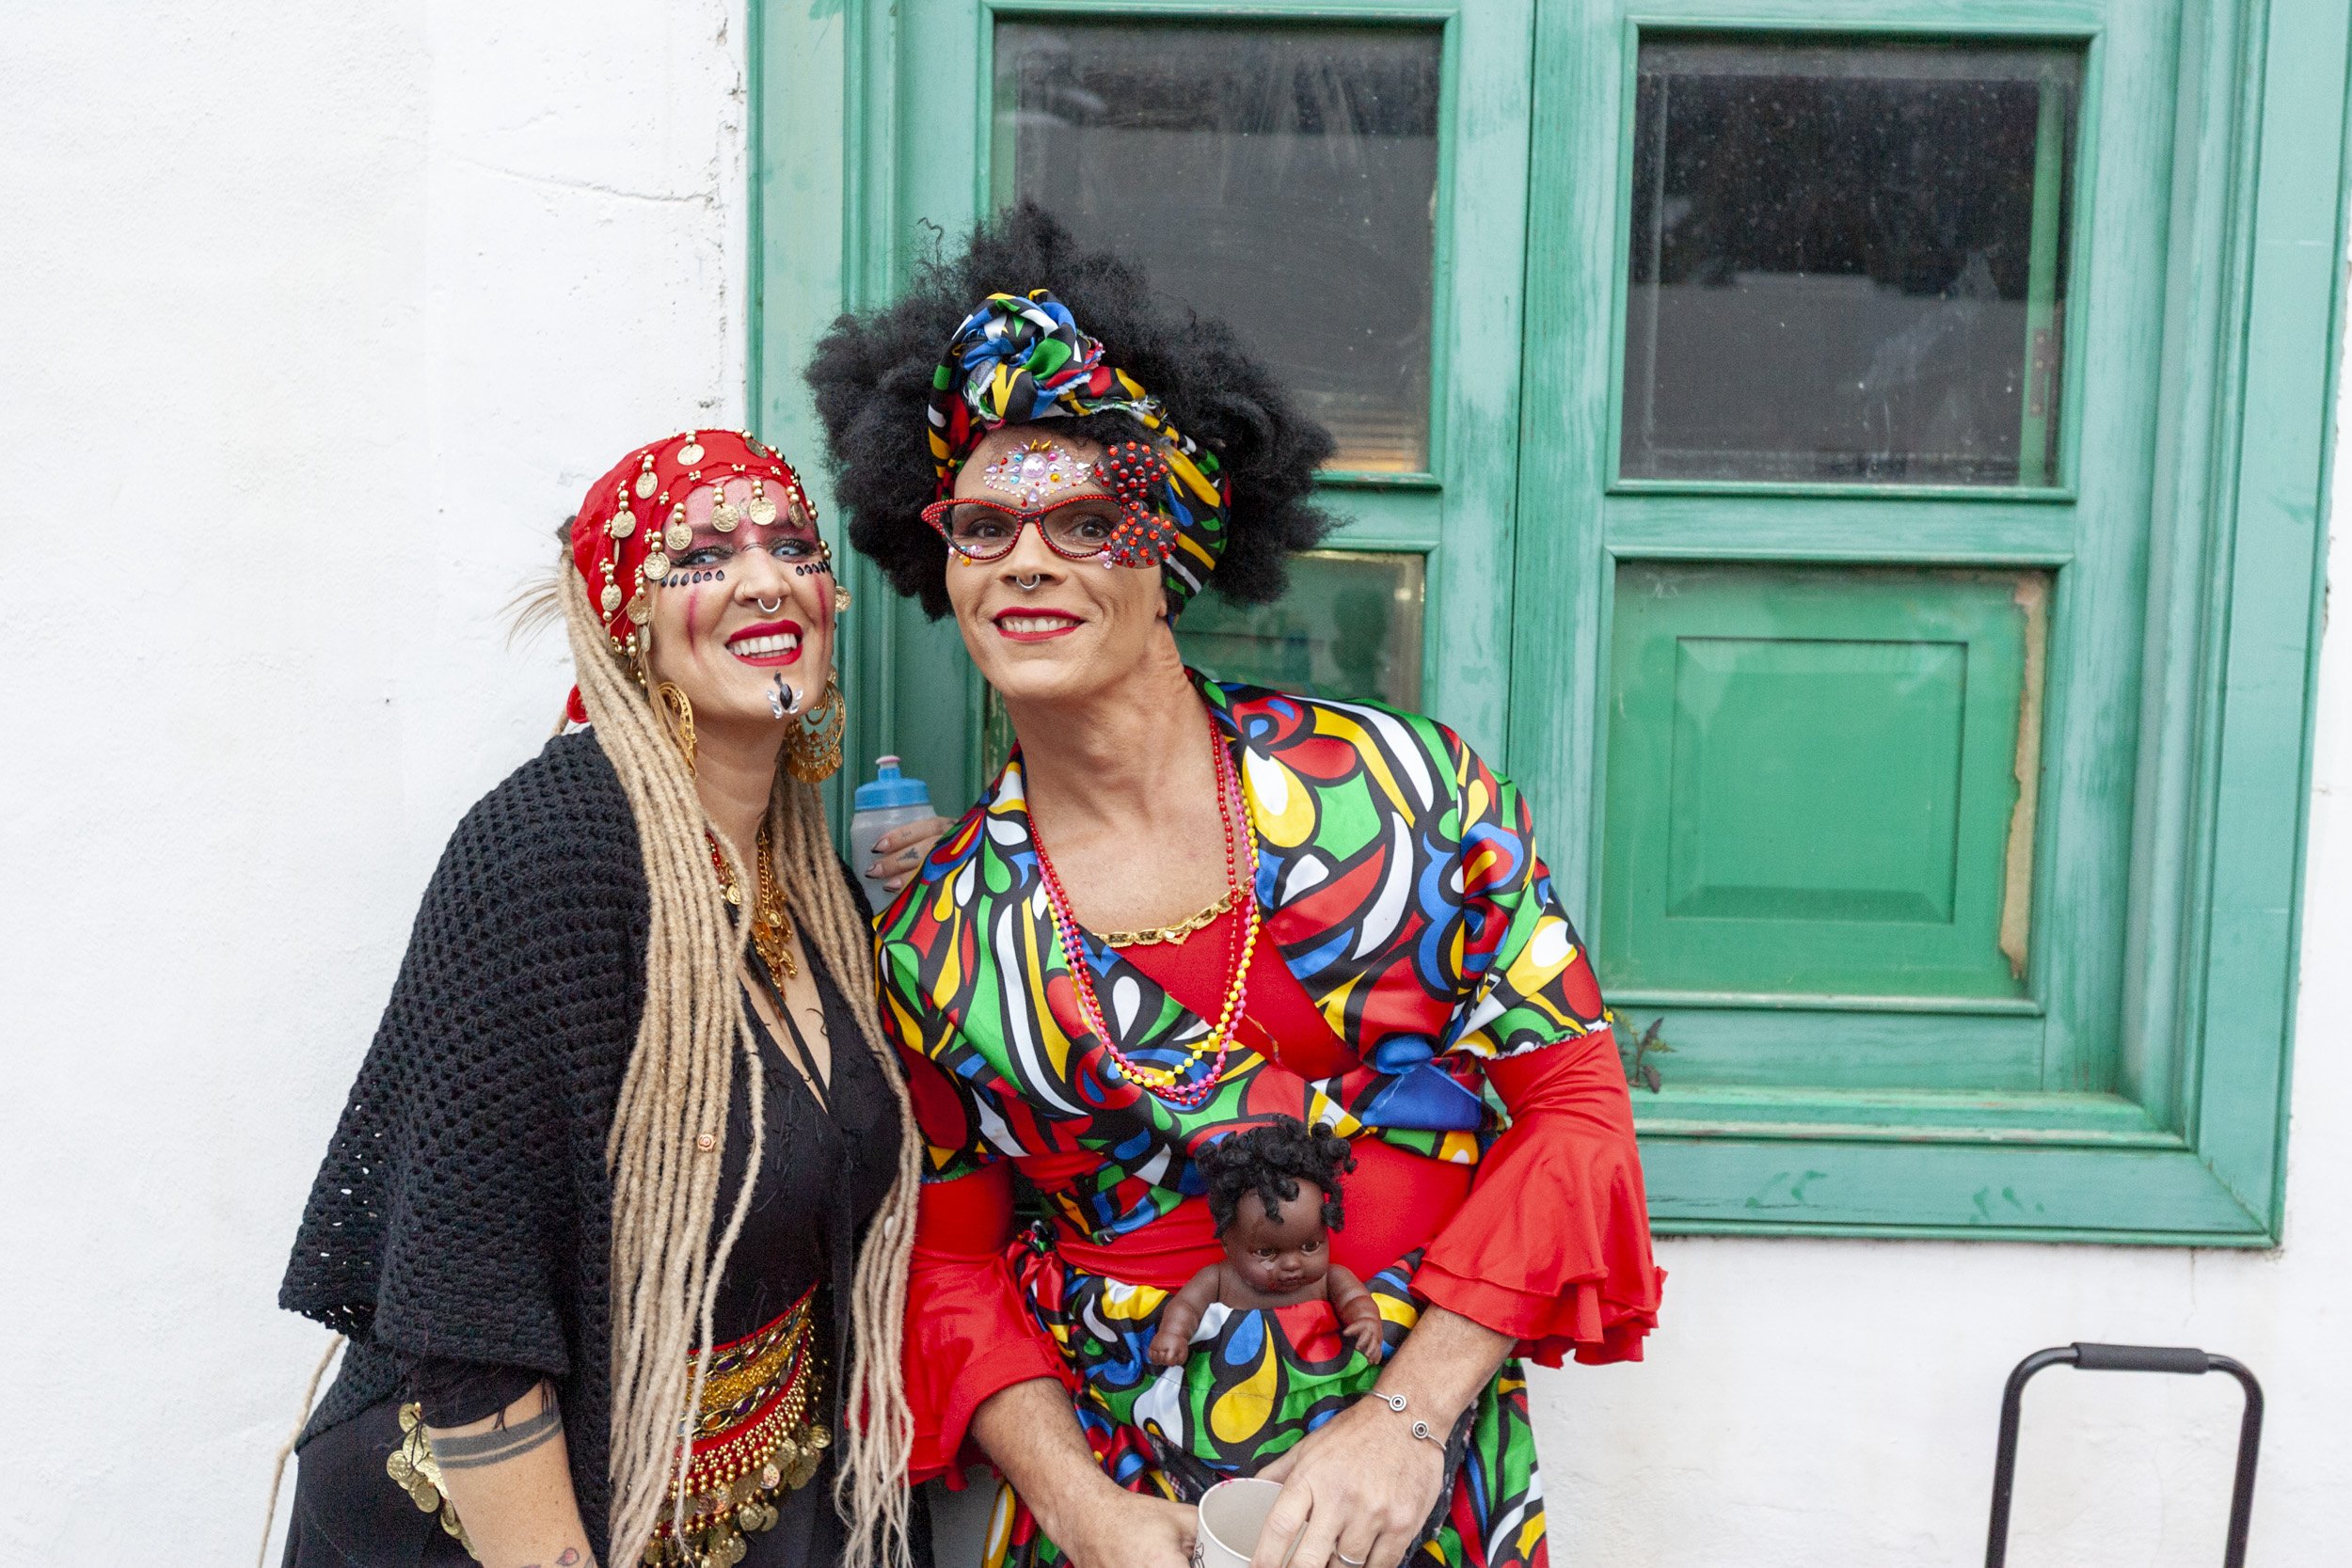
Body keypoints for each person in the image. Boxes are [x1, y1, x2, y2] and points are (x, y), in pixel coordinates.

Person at [806, 205, 1663, 1568]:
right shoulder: (936, 937)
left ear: (1172, 547)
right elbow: (952, 1261)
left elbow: (1573, 1109)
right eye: (984, 523)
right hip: (1127, 1503)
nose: (1026, 557)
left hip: (1421, 1479)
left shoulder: (1404, 790)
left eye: (1087, 519)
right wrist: (1082, 1508)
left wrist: (1406, 1418)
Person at [274, 430, 944, 1568]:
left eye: (793, 545)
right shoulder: (545, 854)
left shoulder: (808, 878)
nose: (766, 578)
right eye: (704, 556)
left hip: (743, 1499)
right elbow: (471, 1310)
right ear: (627, 617)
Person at [1148, 1117, 1386, 1368]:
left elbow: (1355, 1300)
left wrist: (1366, 1320)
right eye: (1267, 1252)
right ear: (1227, 1243)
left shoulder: (1330, 1279)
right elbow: (1186, 1306)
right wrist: (1173, 1334)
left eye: (1310, 1246)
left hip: (1315, 1374)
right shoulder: (1219, 1279)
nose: (1292, 1264)